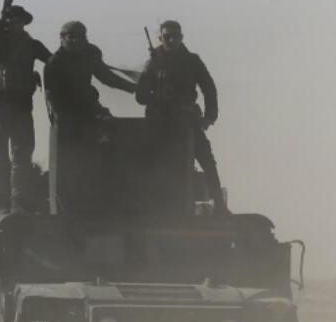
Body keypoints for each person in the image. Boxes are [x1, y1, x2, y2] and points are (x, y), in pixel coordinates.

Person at [135, 20, 228, 214]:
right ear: (160, 38)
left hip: (188, 123)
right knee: (153, 165)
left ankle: (220, 206)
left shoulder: (192, 61)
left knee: (208, 162)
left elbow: (209, 88)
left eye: (175, 36)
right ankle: (151, 208)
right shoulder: (153, 62)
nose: (171, 40)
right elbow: (141, 96)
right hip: (160, 125)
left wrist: (209, 117)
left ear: (181, 37)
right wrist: (156, 93)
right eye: (167, 36)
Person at [44, 21, 137, 212]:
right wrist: (59, 119)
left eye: (80, 36)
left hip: (89, 108)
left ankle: (105, 197)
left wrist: (134, 88)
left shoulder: (90, 54)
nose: (76, 41)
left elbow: (106, 77)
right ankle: (73, 203)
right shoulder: (55, 63)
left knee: (108, 141)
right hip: (68, 113)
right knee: (72, 159)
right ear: (62, 38)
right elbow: (51, 95)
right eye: (71, 37)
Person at [0, 0, 51, 214]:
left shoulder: (31, 45)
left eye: (18, 21)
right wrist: (1, 21)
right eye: (12, 20)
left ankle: (17, 202)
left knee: (21, 156)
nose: (15, 24)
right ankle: (2, 203)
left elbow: (53, 60)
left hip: (20, 108)